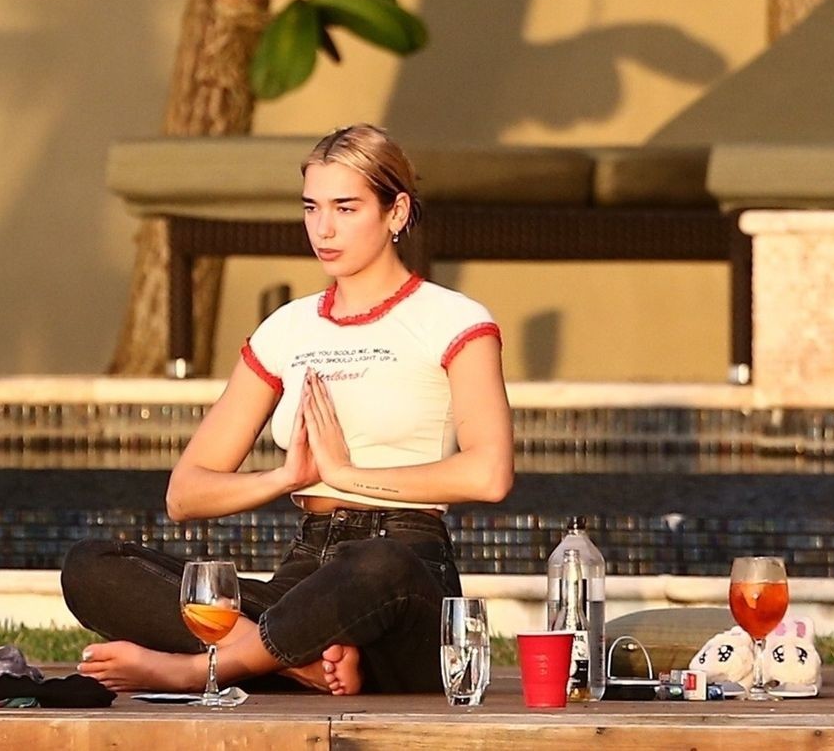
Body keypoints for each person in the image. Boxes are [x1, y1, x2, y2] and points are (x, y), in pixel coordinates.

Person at [62, 124, 513, 695]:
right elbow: (185, 494)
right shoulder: (287, 328)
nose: (323, 229)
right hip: (304, 576)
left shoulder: (453, 319)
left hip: (403, 573)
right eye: (311, 208)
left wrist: (344, 474)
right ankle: (298, 662)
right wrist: (285, 478)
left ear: (396, 212)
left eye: (345, 208)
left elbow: (489, 474)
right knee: (92, 566)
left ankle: (204, 669)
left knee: (379, 562)